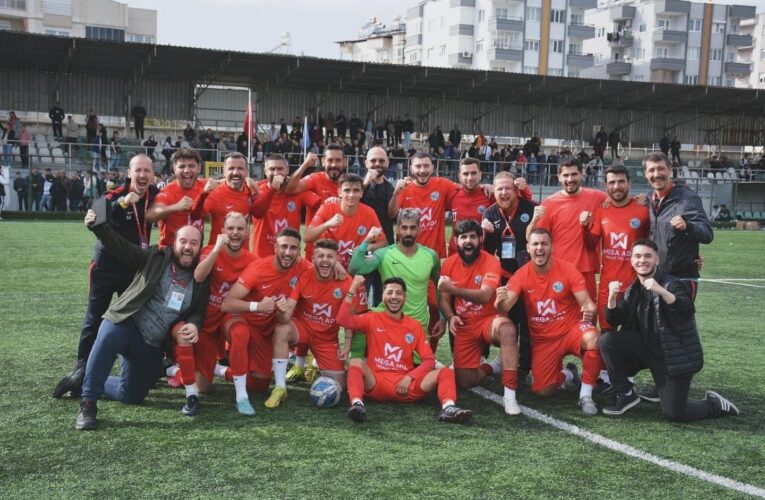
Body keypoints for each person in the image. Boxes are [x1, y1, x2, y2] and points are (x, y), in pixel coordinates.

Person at [74, 215, 209, 430]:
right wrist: (99, 227)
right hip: (127, 322)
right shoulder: (156, 258)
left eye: (194, 243)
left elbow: (199, 312)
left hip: (150, 344)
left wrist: (194, 324)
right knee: (107, 335)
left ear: (200, 248)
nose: (187, 247)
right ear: (174, 243)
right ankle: (88, 403)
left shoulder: (201, 279)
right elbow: (123, 249)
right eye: (183, 241)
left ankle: (83, 380)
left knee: (131, 395)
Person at [53, 155, 159, 399]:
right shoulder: (117, 194)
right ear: (129, 173)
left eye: (147, 171)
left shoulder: (155, 194)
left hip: (133, 269)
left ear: (153, 174)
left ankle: (134, 370)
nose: (142, 175)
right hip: (105, 268)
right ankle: (80, 370)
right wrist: (121, 204)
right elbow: (96, 211)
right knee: (94, 318)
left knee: (133, 319)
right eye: (138, 170)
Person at [600, 239, 739, 420]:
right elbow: (616, 319)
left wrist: (661, 291)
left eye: (648, 256)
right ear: (632, 261)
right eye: (638, 256)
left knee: (675, 414)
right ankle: (625, 393)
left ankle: (713, 404)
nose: (643, 260)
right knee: (607, 341)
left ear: (657, 260)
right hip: (647, 348)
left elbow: (686, 309)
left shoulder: (671, 283)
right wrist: (611, 298)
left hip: (672, 356)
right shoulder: (634, 287)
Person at [337, 276, 473, 425]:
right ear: (383, 296)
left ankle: (449, 407)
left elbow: (429, 360)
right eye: (389, 293)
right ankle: (357, 404)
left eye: (398, 293)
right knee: (355, 361)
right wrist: (352, 289)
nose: (394, 297)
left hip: (405, 387)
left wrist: (409, 378)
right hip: (376, 383)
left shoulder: (414, 326)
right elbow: (343, 320)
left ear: (405, 297)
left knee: (446, 372)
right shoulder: (371, 318)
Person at [496, 228, 602, 416]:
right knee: (542, 390)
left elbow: (588, 304)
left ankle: (586, 395)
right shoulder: (521, 274)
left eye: (544, 243)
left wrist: (589, 311)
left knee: (593, 338)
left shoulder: (568, 269)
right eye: (535, 244)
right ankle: (569, 374)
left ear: (552, 247)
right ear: (528, 248)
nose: (540, 248)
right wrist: (499, 301)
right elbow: (505, 308)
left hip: (570, 330)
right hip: (544, 339)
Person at [166, 212, 255, 414]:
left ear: (247, 233)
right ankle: (174, 369)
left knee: (240, 332)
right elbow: (198, 275)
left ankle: (241, 397)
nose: (235, 233)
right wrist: (216, 249)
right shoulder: (209, 251)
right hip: (204, 324)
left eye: (240, 229)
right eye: (230, 228)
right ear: (223, 231)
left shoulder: (252, 260)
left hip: (227, 318)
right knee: (203, 387)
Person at [220, 228, 312, 415]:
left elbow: (321, 267)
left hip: (265, 331)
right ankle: (241, 397)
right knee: (240, 334)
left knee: (260, 384)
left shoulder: (303, 267)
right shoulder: (258, 268)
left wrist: (338, 268)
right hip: (242, 320)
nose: (288, 252)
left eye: (293, 248)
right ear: (275, 247)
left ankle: (219, 370)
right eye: (284, 246)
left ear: (299, 250)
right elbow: (227, 303)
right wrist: (256, 306)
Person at [270, 239, 367, 403]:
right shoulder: (304, 277)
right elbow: (286, 317)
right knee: (282, 328)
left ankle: (315, 364)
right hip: (303, 330)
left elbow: (349, 316)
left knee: (340, 386)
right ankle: (280, 387)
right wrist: (280, 311)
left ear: (336, 260)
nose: (325, 260)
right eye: (320, 256)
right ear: (313, 259)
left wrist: (347, 344)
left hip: (326, 340)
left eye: (330, 256)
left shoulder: (346, 282)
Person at [439, 220, 520, 415]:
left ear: (480, 239)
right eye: (463, 237)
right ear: (456, 241)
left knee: (507, 329)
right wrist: (450, 316)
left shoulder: (491, 261)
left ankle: (510, 396)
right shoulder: (449, 263)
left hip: (488, 320)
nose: (468, 241)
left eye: (473, 237)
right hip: (464, 324)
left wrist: (453, 288)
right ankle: (493, 366)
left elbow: (485, 296)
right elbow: (443, 298)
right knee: (465, 381)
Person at [349, 208, 442, 351]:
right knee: (359, 329)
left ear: (419, 229)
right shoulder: (384, 253)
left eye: (412, 228)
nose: (408, 232)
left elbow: (439, 287)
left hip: (416, 323)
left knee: (415, 368)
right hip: (386, 316)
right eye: (404, 228)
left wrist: (442, 317)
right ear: (398, 229)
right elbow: (355, 268)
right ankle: (356, 368)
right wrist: (366, 241)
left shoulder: (431, 256)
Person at [481, 171, 537, 384]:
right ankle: (504, 363)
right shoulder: (490, 213)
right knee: (507, 322)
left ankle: (525, 367)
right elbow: (487, 251)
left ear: (516, 190)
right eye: (499, 189)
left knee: (529, 324)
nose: (504, 193)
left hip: (529, 277)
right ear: (493, 191)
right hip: (504, 278)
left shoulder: (530, 208)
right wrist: (487, 234)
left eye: (508, 188)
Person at [527, 158, 607, 300]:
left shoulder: (597, 197)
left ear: (581, 174)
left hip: (585, 269)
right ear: (558, 177)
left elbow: (619, 201)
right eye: (565, 175)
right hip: (559, 270)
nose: (570, 179)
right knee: (560, 315)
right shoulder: (549, 204)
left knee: (587, 315)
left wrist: (638, 200)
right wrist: (534, 220)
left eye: (574, 174)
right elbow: (533, 237)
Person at [645, 152, 712, 288]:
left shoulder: (687, 199)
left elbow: (707, 234)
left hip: (681, 279)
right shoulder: (646, 200)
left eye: (661, 168)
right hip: (653, 276)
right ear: (646, 174)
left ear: (670, 170)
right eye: (651, 170)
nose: (656, 174)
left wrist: (688, 226)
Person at [304, 173, 384, 269]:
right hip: (327, 266)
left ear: (361, 193)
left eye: (356, 190)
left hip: (353, 269)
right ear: (339, 192)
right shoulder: (327, 208)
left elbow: (383, 242)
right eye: (347, 190)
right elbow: (306, 237)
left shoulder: (369, 212)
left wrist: (368, 247)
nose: (351, 195)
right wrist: (328, 224)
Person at [249, 154, 322, 258]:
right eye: (272, 169)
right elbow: (257, 212)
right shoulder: (257, 190)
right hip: (262, 258)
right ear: (265, 171)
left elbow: (322, 206)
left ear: (287, 170)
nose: (276, 172)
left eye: (280, 169)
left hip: (289, 258)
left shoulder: (297, 191)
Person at [189, 152, 269, 244]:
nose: (235, 172)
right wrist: (203, 194)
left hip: (241, 255)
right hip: (218, 254)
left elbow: (273, 181)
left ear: (247, 172)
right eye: (231, 168)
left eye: (240, 168)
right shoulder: (215, 192)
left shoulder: (251, 189)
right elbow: (195, 215)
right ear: (224, 171)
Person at [146, 147, 207, 248]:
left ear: (199, 167)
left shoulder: (205, 186)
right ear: (174, 169)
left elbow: (225, 183)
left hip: (195, 252)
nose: (187, 170)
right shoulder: (168, 191)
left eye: (191, 166)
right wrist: (175, 207)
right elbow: (150, 215)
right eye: (182, 166)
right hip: (169, 252)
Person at [360, 146, 396, 305]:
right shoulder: (358, 186)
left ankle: (378, 325)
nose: (377, 164)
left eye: (381, 160)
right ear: (366, 162)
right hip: (363, 249)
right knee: (362, 290)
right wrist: (366, 182)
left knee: (382, 293)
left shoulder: (390, 188)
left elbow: (392, 215)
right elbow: (349, 202)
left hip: (385, 249)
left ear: (387, 163)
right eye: (373, 160)